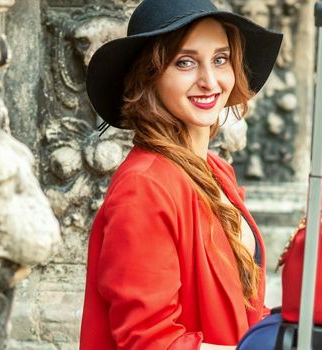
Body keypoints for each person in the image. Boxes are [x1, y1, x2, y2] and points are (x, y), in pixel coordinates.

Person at [79, 0, 283, 349]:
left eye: (220, 59)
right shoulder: (144, 187)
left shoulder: (216, 171)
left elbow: (237, 306)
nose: (209, 81)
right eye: (185, 62)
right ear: (149, 75)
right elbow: (150, 340)